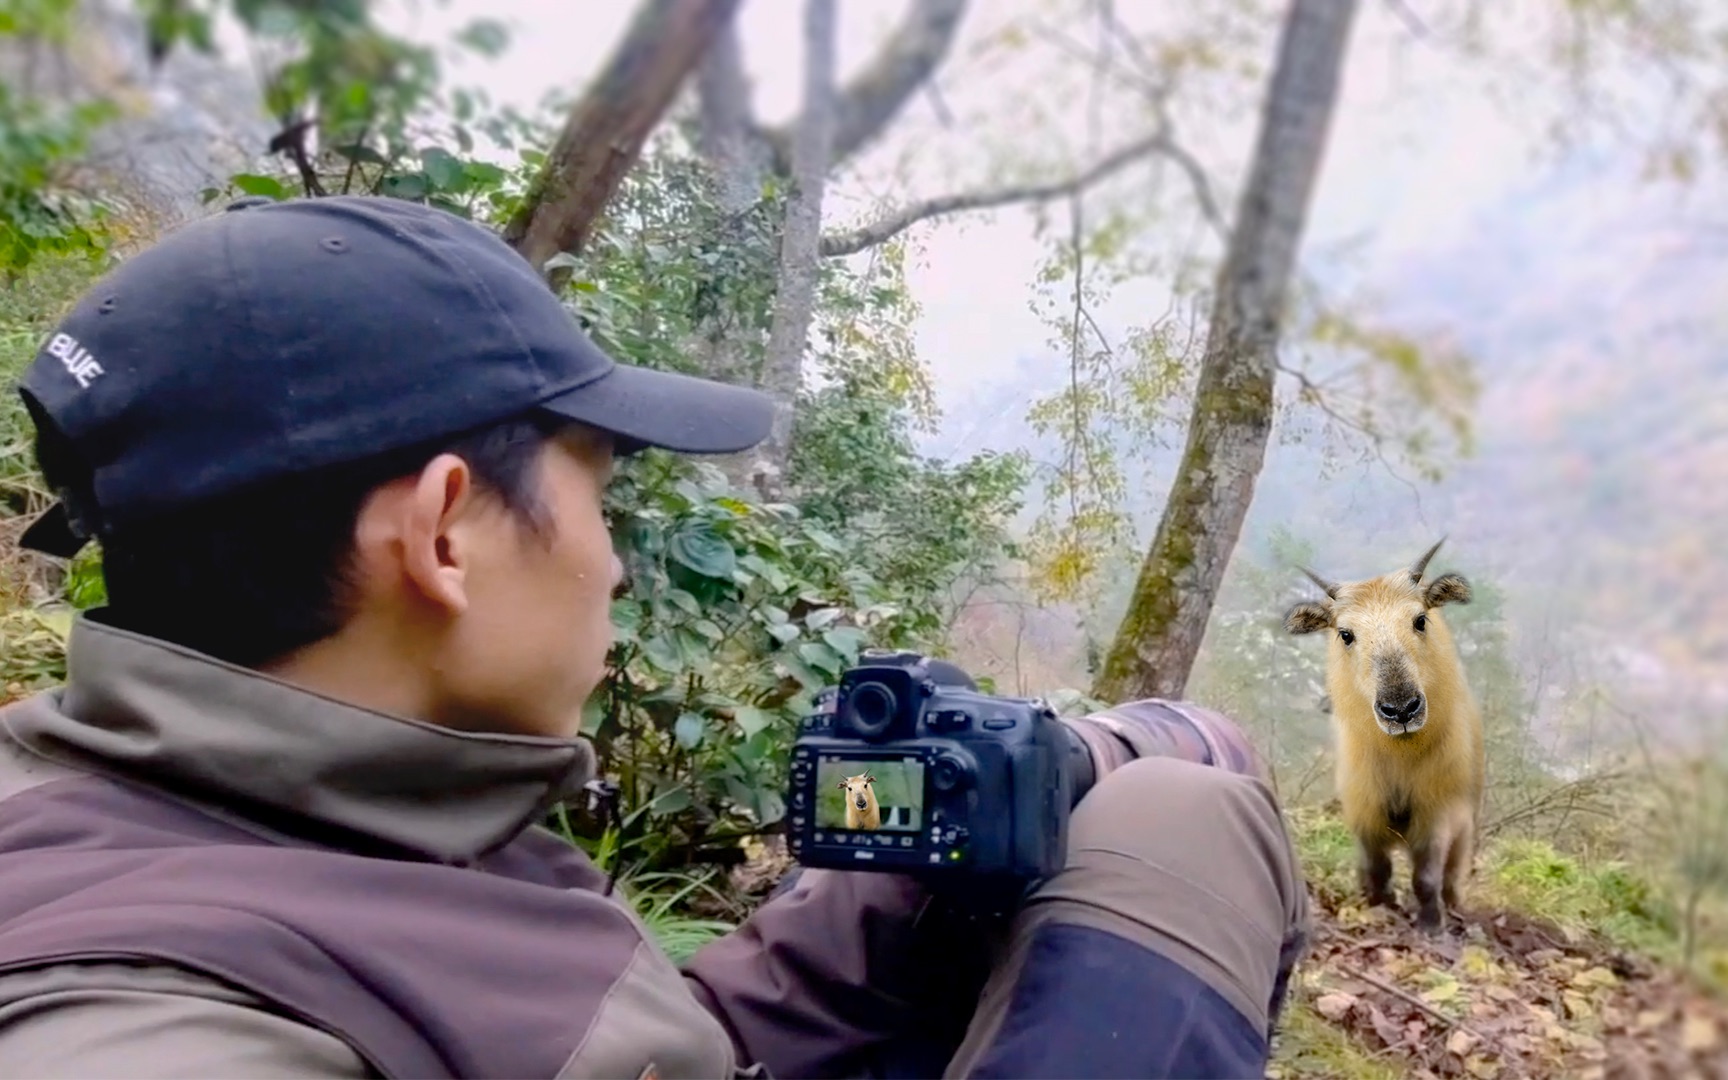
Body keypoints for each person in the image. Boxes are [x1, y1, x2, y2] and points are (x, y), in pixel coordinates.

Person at [0, 195, 1310, 1079]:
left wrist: (1038, 779)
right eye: (599, 495)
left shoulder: (219, 795)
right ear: (445, 532)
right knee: (1191, 833)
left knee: (1164, 802)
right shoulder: (133, 1013)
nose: (614, 559)